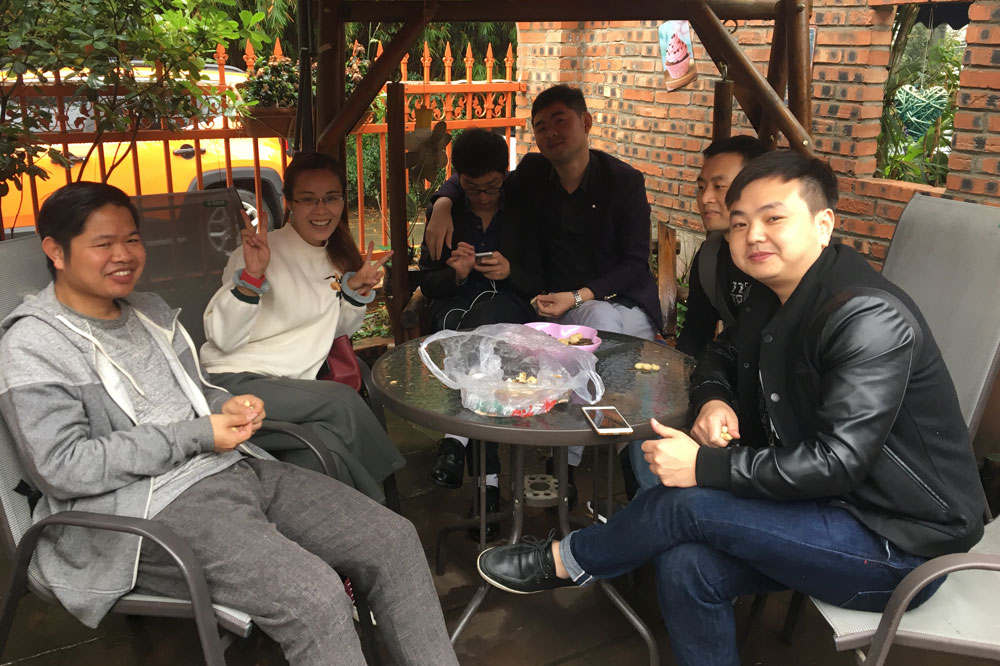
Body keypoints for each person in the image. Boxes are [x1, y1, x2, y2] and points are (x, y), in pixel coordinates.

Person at [474, 151, 986, 666]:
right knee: (685, 565)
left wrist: (704, 466)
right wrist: (715, 399)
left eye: (774, 218)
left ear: (823, 224)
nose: (754, 236)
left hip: (899, 545)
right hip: (825, 509)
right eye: (740, 223)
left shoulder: (866, 318)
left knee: (686, 504)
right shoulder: (775, 294)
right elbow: (717, 354)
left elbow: (838, 463)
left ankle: (566, 561)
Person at [0, 182, 461, 666]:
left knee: (394, 540)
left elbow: (196, 393)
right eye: (103, 244)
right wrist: (200, 433)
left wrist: (227, 405)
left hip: (234, 468)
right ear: (56, 251)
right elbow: (63, 467)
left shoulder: (149, 312)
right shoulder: (33, 346)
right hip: (142, 513)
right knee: (314, 596)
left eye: (132, 239)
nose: (124, 255)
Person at [425, 85, 662, 504]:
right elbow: (476, 176)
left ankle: (611, 463)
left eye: (560, 120)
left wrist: (578, 294)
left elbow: (635, 263)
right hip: (563, 306)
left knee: (612, 346)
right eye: (540, 126)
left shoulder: (623, 181)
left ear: (586, 122)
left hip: (623, 301)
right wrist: (443, 200)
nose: (551, 132)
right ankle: (574, 466)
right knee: (579, 343)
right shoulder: (533, 175)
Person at [200, 151, 405, 504]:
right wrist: (252, 278)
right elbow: (223, 338)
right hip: (233, 383)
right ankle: (388, 500)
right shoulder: (258, 253)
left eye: (331, 198)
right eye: (308, 199)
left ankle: (352, 520)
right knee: (342, 402)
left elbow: (334, 330)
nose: (321, 210)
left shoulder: (334, 257)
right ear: (289, 203)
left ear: (343, 200)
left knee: (322, 448)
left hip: (292, 390)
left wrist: (354, 294)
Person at [419, 129, 543, 539]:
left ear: (504, 174)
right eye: (472, 189)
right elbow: (428, 282)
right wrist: (455, 274)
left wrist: (511, 272)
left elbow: (544, 279)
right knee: (478, 343)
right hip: (456, 314)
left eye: (491, 187)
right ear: (459, 179)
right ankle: (486, 486)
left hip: (509, 312)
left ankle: (458, 448)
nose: (484, 196)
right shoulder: (448, 213)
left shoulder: (524, 211)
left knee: (487, 336)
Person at [675, 135, 767, 360]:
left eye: (719, 187)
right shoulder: (710, 257)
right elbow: (695, 337)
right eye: (701, 187)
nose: (705, 198)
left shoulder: (784, 258)